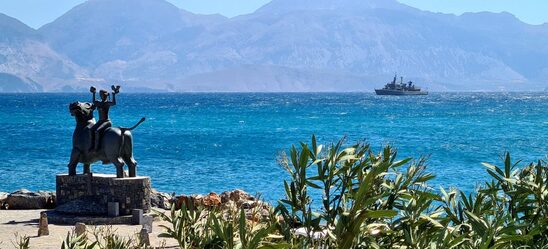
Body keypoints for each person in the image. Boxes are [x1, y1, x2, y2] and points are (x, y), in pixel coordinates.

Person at [89, 85, 120, 152]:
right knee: (91, 130)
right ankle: (91, 145)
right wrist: (94, 94)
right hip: (100, 121)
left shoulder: (107, 103)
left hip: (106, 121)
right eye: (100, 95)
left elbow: (114, 103)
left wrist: (113, 95)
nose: (101, 96)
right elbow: (94, 101)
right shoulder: (99, 103)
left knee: (97, 131)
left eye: (103, 95)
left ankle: (96, 148)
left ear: (105, 95)